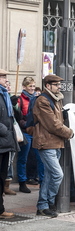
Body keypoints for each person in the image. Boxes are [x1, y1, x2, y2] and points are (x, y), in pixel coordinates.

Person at [32, 74, 74, 217]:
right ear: (48, 86)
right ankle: (49, 202)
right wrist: (69, 132)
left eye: (59, 85)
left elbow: (58, 120)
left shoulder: (56, 99)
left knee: (50, 175)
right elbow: (53, 124)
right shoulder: (43, 100)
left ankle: (43, 206)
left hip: (56, 142)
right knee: (57, 174)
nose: (59, 87)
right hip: (46, 142)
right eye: (56, 85)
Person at [14, 77, 45, 193]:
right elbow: (18, 116)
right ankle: (22, 182)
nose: (32, 88)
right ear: (24, 87)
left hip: (35, 131)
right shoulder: (20, 99)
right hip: (25, 131)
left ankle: (42, 181)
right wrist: (25, 124)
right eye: (29, 86)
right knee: (23, 158)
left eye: (33, 86)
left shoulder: (37, 99)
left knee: (40, 157)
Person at [0, 68, 18, 218]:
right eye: (3, 76)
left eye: (6, 76)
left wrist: (15, 104)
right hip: (2, 139)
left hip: (5, 143)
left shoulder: (4, 94)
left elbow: (12, 117)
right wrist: (5, 131)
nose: (6, 79)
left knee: (2, 177)